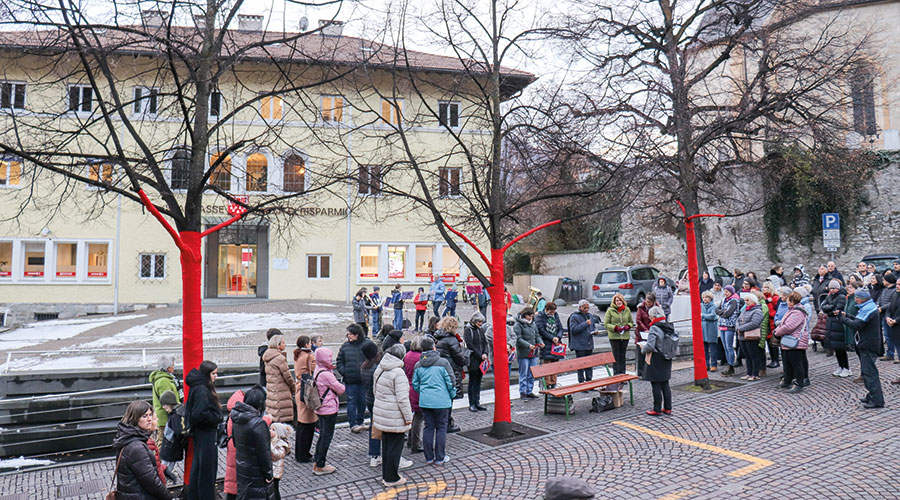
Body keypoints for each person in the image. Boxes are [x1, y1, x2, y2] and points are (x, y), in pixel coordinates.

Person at [112, 400, 174, 500]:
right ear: (135, 418)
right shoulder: (136, 447)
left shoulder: (130, 438)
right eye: (144, 416)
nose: (149, 419)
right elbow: (151, 482)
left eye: (150, 415)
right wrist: (169, 497)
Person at [373, 344, 415, 487]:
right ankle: (392, 478)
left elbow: (375, 390)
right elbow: (403, 399)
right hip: (395, 415)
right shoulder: (398, 373)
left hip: (381, 412)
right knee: (395, 447)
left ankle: (387, 475)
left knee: (386, 445)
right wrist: (409, 418)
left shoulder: (380, 368)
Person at [838, 288, 885, 408]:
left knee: (870, 373)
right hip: (868, 343)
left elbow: (856, 325)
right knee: (868, 371)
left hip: (868, 344)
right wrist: (847, 315)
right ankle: (872, 395)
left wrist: (842, 319)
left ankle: (877, 400)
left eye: (857, 298)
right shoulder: (868, 306)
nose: (856, 301)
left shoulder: (868, 309)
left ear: (861, 299)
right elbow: (858, 320)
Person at [413, 339, 456, 465]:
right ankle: (440, 457)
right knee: (441, 428)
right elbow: (451, 381)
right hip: (442, 401)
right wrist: (451, 395)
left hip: (426, 401)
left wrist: (424, 393)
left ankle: (428, 457)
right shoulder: (443, 363)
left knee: (428, 427)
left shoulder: (418, 364)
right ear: (434, 347)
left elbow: (415, 383)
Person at [184, 360, 222, 500]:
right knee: (207, 469)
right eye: (213, 373)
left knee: (199, 466)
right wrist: (216, 417)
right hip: (206, 433)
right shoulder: (202, 389)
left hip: (200, 433)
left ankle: (195, 495)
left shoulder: (198, 386)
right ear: (207, 374)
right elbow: (200, 413)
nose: (215, 376)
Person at [229, 385, 272, 499]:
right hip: (256, 471)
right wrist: (268, 473)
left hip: (242, 468)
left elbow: (235, 443)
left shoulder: (237, 419)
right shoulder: (258, 424)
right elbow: (264, 453)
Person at [337, 323, 376, 433]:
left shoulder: (367, 344)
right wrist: (344, 371)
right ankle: (352, 423)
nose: (348, 336)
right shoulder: (345, 346)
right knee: (351, 401)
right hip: (350, 380)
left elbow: (373, 358)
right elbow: (339, 361)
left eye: (350, 334)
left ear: (357, 334)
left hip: (364, 380)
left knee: (363, 401)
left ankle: (360, 421)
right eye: (347, 335)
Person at [312, 347, 345, 474]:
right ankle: (320, 465)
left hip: (321, 408)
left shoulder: (318, 369)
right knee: (326, 437)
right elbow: (340, 389)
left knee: (322, 435)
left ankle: (317, 462)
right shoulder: (326, 374)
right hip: (329, 408)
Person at [642, 306, 678, 416]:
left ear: (653, 316)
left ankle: (657, 409)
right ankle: (668, 408)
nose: (649, 318)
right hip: (667, 357)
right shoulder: (668, 325)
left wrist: (643, 348)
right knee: (665, 383)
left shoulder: (654, 328)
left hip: (656, 358)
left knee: (656, 384)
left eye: (650, 316)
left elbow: (650, 345)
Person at [433, 316, 466, 433]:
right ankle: (447, 422)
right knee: (449, 397)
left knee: (442, 397)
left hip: (440, 370)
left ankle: (441, 420)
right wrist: (464, 352)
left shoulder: (439, 337)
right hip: (451, 369)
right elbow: (460, 358)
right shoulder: (451, 340)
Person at [773, 292, 810, 393]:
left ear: (792, 301)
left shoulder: (797, 312)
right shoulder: (793, 310)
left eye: (788, 300)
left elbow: (788, 327)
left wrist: (777, 333)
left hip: (795, 341)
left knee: (797, 363)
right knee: (788, 362)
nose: (786, 301)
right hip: (789, 341)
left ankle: (799, 383)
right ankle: (787, 381)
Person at [293, 336, 317, 463]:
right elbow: (315, 369)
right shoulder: (309, 356)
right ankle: (303, 455)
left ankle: (300, 453)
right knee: (307, 425)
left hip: (299, 389)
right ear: (307, 344)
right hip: (307, 391)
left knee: (302, 424)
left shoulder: (298, 355)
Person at [820, 280, 851, 378]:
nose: (832, 290)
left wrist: (829, 309)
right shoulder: (829, 296)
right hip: (831, 324)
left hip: (838, 323)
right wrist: (830, 309)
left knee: (841, 348)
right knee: (836, 347)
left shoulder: (841, 297)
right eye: (831, 288)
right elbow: (823, 306)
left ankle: (846, 367)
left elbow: (837, 310)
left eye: (834, 288)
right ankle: (840, 366)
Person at [263, 333, 295, 424]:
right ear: (278, 344)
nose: (285, 344)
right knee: (282, 420)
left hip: (272, 391)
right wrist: (294, 388)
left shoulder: (268, 357)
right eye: (283, 343)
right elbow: (287, 376)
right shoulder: (279, 358)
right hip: (281, 392)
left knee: (274, 418)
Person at [360, 341, 383, 467]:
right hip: (377, 400)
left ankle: (373, 452)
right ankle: (376, 453)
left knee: (373, 425)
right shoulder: (376, 368)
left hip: (369, 399)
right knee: (379, 426)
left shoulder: (364, 367)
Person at [149, 354, 180, 446]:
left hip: (162, 416)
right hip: (164, 418)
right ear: (169, 368)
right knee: (163, 442)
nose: (174, 368)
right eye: (173, 366)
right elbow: (167, 400)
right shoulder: (164, 381)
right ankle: (160, 460)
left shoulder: (161, 379)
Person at [403, 336, 426, 453]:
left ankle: (410, 440)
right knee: (419, 416)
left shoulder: (407, 355)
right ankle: (415, 443)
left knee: (414, 415)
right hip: (417, 388)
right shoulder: (420, 358)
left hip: (409, 386)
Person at [514, 307, 543, 399]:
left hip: (533, 352)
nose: (531, 318)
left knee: (531, 373)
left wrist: (540, 342)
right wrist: (528, 345)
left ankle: (529, 391)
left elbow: (537, 335)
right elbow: (518, 339)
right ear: (525, 315)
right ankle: (523, 392)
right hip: (523, 353)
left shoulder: (533, 324)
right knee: (524, 373)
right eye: (529, 316)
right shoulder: (518, 325)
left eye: (532, 316)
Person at [464, 312, 490, 411]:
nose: (480, 323)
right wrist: (480, 355)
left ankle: (477, 401)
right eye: (479, 321)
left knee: (478, 381)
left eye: (481, 322)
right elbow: (470, 345)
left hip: (481, 359)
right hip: (473, 359)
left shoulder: (481, 329)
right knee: (472, 381)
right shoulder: (468, 330)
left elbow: (484, 343)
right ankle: (472, 403)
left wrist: (485, 353)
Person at [735, 293, 764, 381]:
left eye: (748, 300)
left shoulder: (757, 311)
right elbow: (738, 320)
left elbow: (754, 323)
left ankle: (755, 374)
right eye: (745, 300)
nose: (746, 302)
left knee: (753, 355)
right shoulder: (745, 310)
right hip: (742, 336)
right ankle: (749, 373)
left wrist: (741, 328)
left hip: (751, 336)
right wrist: (738, 327)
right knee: (747, 355)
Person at [604, 293, 634, 375]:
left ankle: (623, 374)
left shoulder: (627, 310)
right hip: (614, 337)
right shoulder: (610, 310)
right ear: (614, 302)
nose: (619, 302)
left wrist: (628, 326)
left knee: (622, 356)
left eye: (620, 300)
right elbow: (606, 324)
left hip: (624, 336)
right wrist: (615, 328)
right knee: (616, 357)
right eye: (617, 300)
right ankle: (616, 374)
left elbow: (631, 322)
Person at [535, 302, 564, 388]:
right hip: (546, 343)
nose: (552, 313)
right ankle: (547, 384)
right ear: (546, 310)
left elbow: (560, 328)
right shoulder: (540, 316)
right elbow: (541, 330)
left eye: (554, 311)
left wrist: (558, 337)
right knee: (547, 364)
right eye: (551, 312)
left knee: (555, 363)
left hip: (556, 344)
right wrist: (552, 338)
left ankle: (554, 383)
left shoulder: (555, 315)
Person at [567, 300, 596, 382]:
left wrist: (595, 331)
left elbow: (592, 327)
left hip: (589, 343)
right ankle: (581, 382)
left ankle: (589, 381)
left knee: (589, 364)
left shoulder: (589, 315)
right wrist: (585, 324)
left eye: (588, 308)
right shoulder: (574, 316)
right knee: (580, 365)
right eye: (585, 308)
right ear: (580, 307)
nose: (587, 309)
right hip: (579, 345)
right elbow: (573, 330)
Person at [223, 389, 244, 500]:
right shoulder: (239, 417)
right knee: (234, 482)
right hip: (237, 450)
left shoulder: (232, 414)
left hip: (232, 450)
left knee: (232, 481)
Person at [715, 286, 740, 376]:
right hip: (722, 324)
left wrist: (722, 312)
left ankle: (731, 365)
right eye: (725, 291)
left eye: (727, 291)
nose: (725, 293)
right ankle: (728, 363)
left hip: (729, 325)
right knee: (725, 346)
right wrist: (722, 312)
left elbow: (728, 313)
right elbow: (716, 309)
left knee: (729, 347)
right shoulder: (724, 299)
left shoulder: (733, 301)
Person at [158, 390, 183, 474]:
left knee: (165, 469)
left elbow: (178, 432)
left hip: (170, 447)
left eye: (164, 404)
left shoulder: (174, 416)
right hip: (171, 448)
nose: (163, 407)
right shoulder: (175, 413)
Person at [877, 273, 898, 362]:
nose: (883, 281)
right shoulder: (885, 290)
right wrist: (878, 305)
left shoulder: (894, 291)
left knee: (892, 336)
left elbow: (891, 303)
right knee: (887, 335)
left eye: (884, 280)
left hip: (891, 316)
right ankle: (889, 353)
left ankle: (892, 353)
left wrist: (882, 308)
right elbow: (880, 299)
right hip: (884, 315)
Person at [269, 422, 293, 500]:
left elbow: (277, 455)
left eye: (273, 430)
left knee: (275, 490)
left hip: (276, 472)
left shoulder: (281, 444)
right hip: (272, 469)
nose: (270, 431)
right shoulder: (272, 441)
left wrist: (270, 446)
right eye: (270, 428)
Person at [762, 282, 781, 369]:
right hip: (767, 323)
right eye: (763, 287)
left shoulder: (774, 298)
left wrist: (768, 303)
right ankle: (773, 360)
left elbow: (774, 313)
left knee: (773, 342)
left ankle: (776, 360)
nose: (764, 289)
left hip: (772, 323)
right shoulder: (764, 298)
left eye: (766, 287)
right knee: (768, 342)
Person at [700, 291, 719, 372]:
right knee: (704, 349)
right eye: (703, 297)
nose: (705, 299)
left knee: (713, 348)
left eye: (706, 297)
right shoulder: (701, 305)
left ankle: (714, 364)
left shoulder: (714, 306)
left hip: (711, 328)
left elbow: (713, 316)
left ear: (710, 298)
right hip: (703, 329)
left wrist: (703, 315)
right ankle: (706, 364)